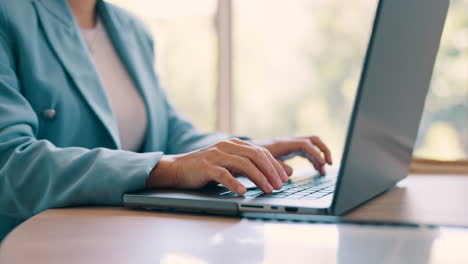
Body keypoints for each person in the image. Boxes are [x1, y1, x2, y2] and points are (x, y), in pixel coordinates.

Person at [0, 0, 332, 240]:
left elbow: (171, 133)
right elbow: (9, 162)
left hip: (128, 241)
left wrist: (246, 151)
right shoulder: (9, 16)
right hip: (39, 246)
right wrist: (169, 170)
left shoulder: (130, 29)